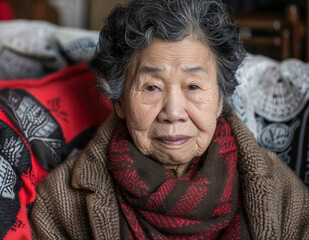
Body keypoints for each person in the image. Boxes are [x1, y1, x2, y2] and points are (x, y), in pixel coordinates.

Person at [29, 0, 309, 239]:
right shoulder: (61, 204)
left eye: (193, 86)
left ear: (221, 99)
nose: (173, 112)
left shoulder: (281, 194)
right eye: (152, 87)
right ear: (119, 101)